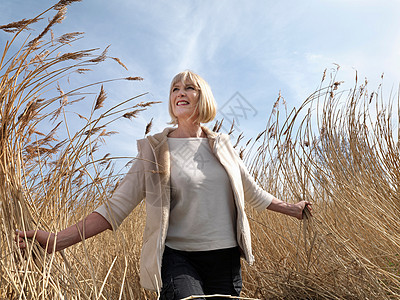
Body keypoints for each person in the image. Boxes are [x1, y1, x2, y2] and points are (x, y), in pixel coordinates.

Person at [16, 70, 312, 299]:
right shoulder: (154, 149)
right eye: (174, 88)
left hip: (225, 257)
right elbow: (116, 206)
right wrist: (59, 239)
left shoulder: (222, 145)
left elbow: (251, 190)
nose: (180, 93)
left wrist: (293, 209)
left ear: (203, 97)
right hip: (177, 257)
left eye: (188, 88)